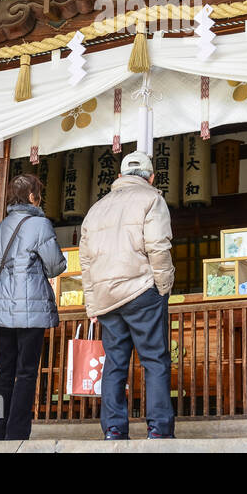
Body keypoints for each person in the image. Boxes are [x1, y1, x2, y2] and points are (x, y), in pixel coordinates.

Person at [79, 150, 175, 440]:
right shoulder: (152, 199)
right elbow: (158, 247)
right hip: (141, 290)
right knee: (154, 359)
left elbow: (85, 261)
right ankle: (158, 429)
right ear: (152, 177)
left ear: (119, 177)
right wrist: (163, 285)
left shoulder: (96, 209)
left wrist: (92, 301)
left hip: (107, 297)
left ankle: (113, 429)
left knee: (115, 362)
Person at [0, 173, 66, 441]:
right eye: (38, 193)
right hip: (31, 308)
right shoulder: (40, 224)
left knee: (3, 371)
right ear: (32, 196)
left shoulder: (1, 226)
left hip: (2, 307)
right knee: (26, 372)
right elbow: (55, 266)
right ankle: (17, 432)